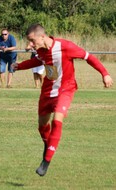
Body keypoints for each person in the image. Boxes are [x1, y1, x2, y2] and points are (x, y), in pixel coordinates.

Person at [11, 23, 113, 176]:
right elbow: (37, 61)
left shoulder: (65, 46)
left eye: (32, 41)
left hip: (66, 89)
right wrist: (19, 66)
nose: (30, 45)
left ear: (42, 36)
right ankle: (48, 144)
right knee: (42, 126)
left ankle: (46, 161)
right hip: (47, 92)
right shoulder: (42, 51)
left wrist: (105, 73)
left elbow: (88, 57)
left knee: (57, 120)